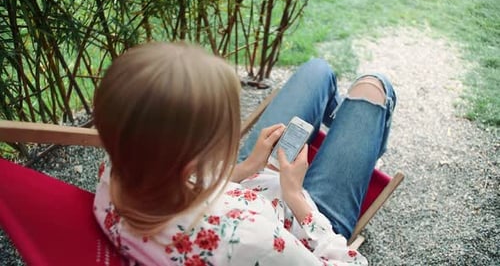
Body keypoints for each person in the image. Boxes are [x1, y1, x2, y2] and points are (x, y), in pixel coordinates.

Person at [93, 42, 396, 265]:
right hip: (305, 219)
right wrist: (295, 196)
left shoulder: (118, 171)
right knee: (374, 87)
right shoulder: (249, 241)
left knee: (317, 70)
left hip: (247, 187)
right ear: (194, 158)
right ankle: (359, 142)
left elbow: (193, 185)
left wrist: (246, 168)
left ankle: (348, 133)